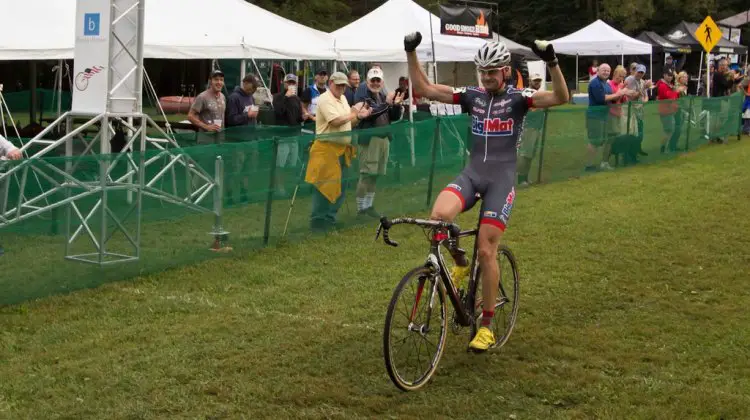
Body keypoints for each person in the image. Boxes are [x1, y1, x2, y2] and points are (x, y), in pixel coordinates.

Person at [403, 32, 569, 351]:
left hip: (501, 179)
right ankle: (460, 264)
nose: (487, 77)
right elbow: (424, 89)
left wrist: (551, 61)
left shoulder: (520, 98)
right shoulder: (472, 96)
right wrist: (410, 52)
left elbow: (560, 96)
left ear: (505, 70)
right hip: (473, 173)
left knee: (487, 249)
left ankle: (487, 326)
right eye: (483, 71)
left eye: (492, 71)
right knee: (438, 217)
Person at [304, 72, 372, 233]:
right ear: (331, 82)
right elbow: (335, 121)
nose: (341, 88)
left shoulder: (342, 99)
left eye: (344, 86)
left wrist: (360, 117)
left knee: (341, 186)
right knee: (323, 187)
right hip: (326, 150)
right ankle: (318, 222)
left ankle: (330, 218)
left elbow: (348, 122)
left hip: (342, 151)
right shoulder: (324, 99)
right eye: (339, 85)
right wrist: (354, 113)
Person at [352, 67, 404, 217]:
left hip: (383, 139)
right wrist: (388, 104)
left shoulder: (382, 95)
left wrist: (396, 105)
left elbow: (392, 117)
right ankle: (361, 208)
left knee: (376, 175)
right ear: (367, 82)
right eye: (372, 80)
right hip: (370, 141)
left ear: (382, 82)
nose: (375, 83)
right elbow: (371, 113)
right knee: (366, 174)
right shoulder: (364, 96)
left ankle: (369, 206)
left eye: (378, 80)